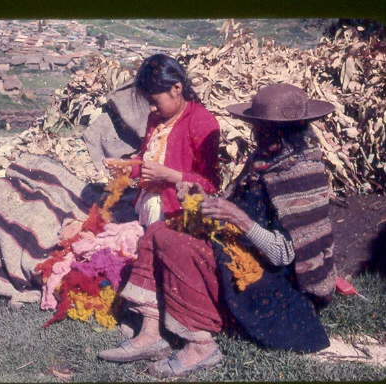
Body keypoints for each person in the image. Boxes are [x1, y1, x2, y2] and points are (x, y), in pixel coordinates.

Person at [98, 83, 337, 378]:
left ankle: (201, 346)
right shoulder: (264, 161)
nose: (258, 134)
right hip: (241, 253)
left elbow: (286, 254)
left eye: (266, 128)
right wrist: (202, 198)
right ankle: (150, 334)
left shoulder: (302, 173)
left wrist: (240, 220)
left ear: (292, 131)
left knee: (179, 247)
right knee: (160, 231)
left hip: (272, 280)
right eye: (258, 127)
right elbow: (234, 205)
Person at [103, 53, 220, 227]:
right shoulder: (156, 119)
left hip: (176, 212)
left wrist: (169, 175)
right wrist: (128, 167)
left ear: (176, 88)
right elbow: (147, 158)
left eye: (155, 101)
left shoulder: (202, 123)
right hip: (147, 203)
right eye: (148, 102)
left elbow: (210, 184)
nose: (151, 108)